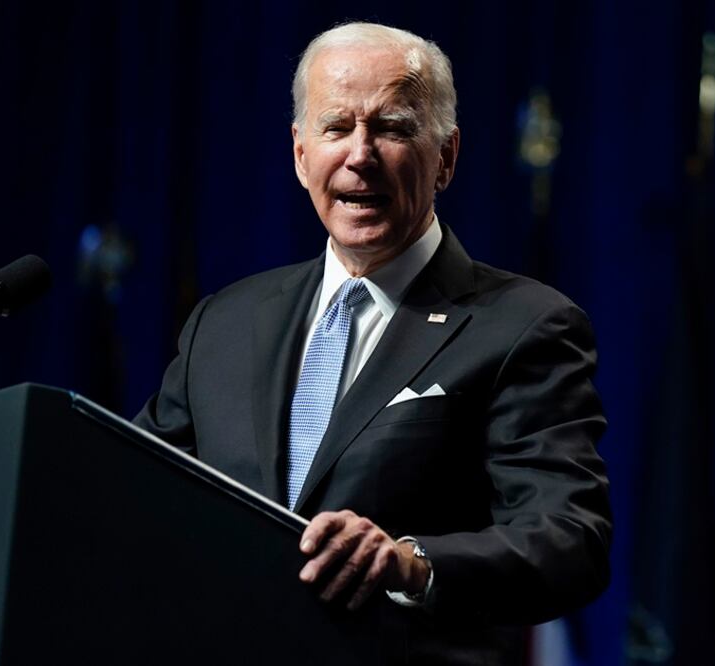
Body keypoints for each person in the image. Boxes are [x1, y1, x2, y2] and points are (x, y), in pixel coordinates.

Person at [134, 21, 611, 663]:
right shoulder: (224, 323)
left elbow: (569, 540)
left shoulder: (524, 325)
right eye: (336, 128)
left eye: (392, 128)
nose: (360, 155)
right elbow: (131, 494)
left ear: (445, 157)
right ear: (301, 154)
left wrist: (411, 563)